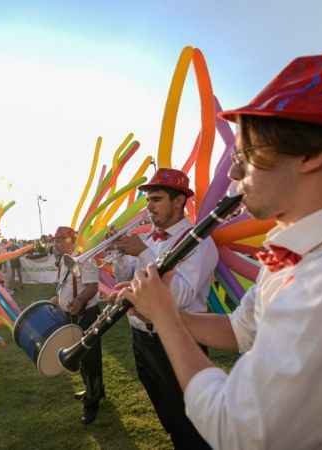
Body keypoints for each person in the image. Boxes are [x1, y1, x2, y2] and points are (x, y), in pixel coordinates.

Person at [123, 53, 322, 449]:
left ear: (312, 155)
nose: (235, 174)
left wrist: (167, 320)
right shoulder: (297, 251)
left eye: (246, 156)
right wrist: (161, 311)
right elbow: (240, 330)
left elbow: (235, 431)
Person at [109, 168, 216, 449]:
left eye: (155, 199)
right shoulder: (149, 239)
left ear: (179, 201)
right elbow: (128, 280)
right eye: (147, 200)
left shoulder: (200, 241)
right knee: (168, 416)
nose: (149, 207)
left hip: (177, 339)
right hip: (141, 338)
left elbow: (177, 297)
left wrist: (142, 252)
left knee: (191, 423)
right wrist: (121, 255)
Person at [51, 226, 104, 425]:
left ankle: (92, 404)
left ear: (72, 239)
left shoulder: (84, 257)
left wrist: (79, 301)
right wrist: (58, 299)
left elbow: (92, 286)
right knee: (81, 357)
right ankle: (95, 390)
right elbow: (65, 286)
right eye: (55, 239)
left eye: (61, 239)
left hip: (86, 315)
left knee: (90, 359)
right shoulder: (62, 262)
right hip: (72, 315)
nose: (56, 243)